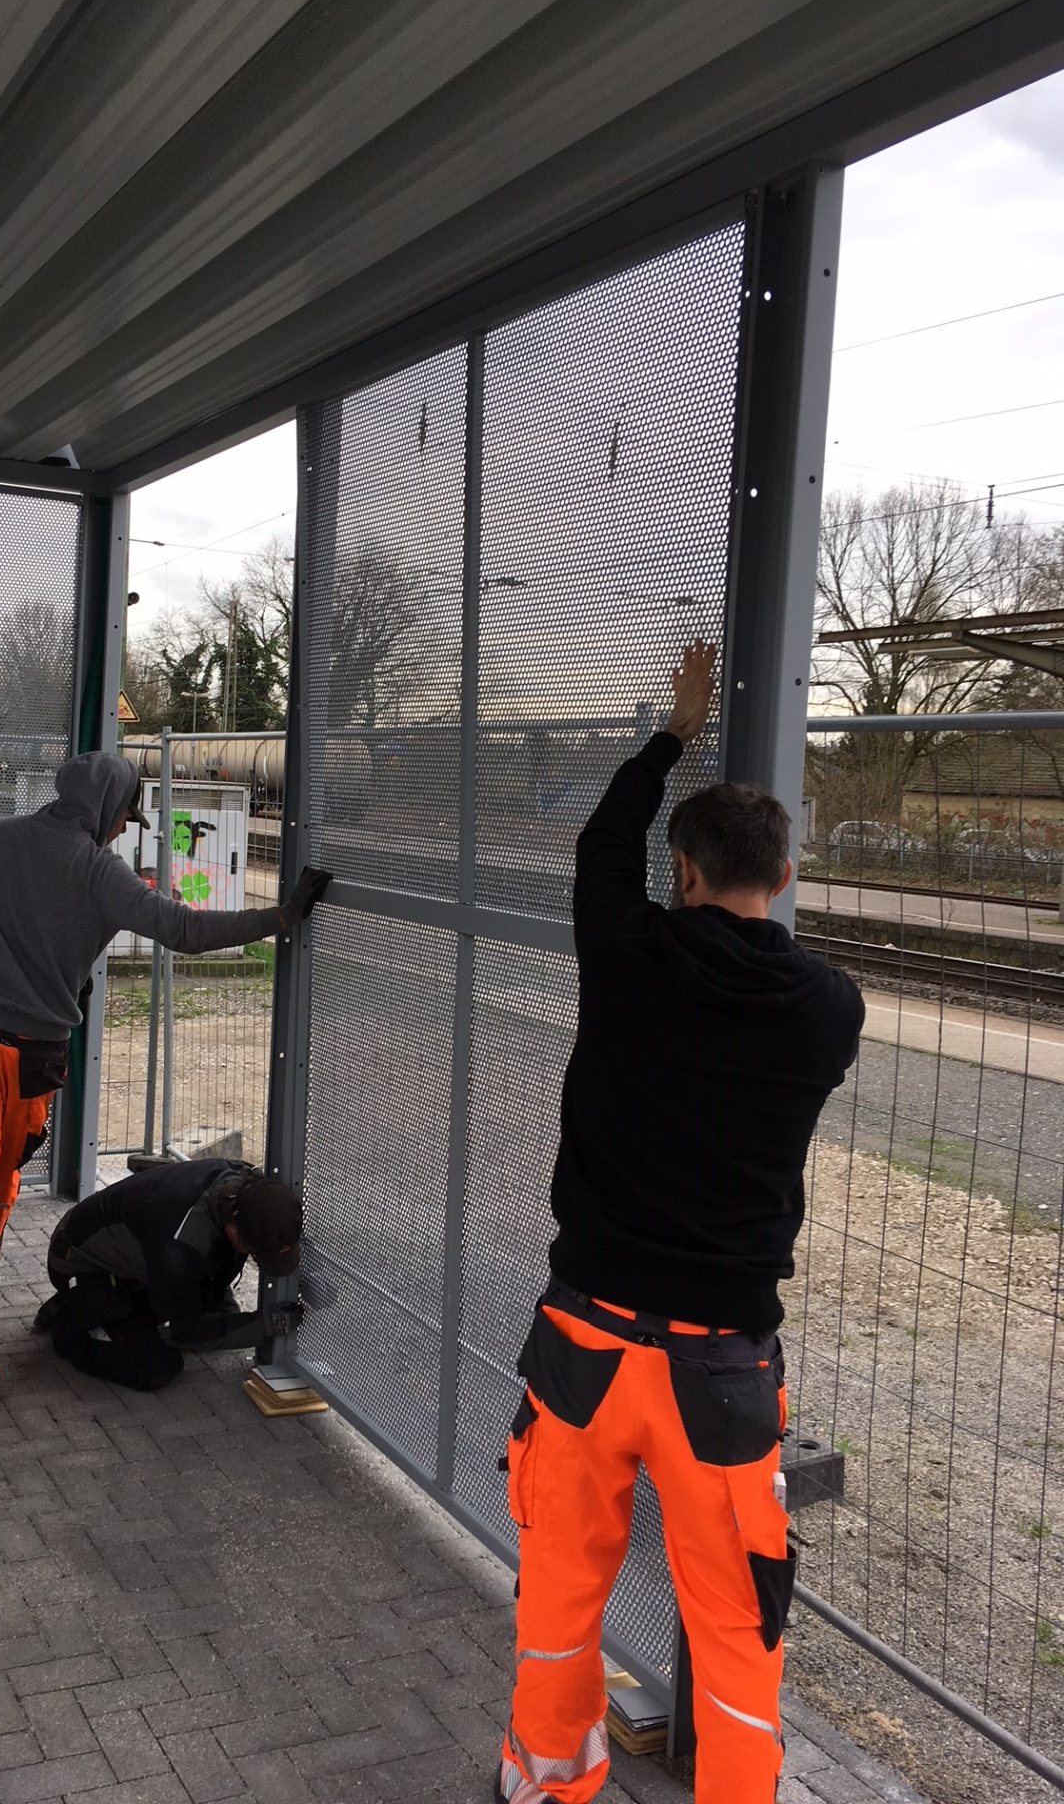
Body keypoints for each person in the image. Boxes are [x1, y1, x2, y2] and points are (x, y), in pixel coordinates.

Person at [498, 642, 865, 1804]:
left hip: (589, 1341)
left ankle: (549, 1778)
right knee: (738, 1624)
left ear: (684, 873)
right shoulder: (827, 1012)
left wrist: (672, 732)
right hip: (723, 1366)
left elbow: (598, 847)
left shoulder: (628, 954)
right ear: (790, 874)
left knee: (562, 1592)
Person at [0, 751, 329, 1418]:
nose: (121, 831)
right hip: (34, 1058)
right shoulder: (99, 872)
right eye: (123, 819)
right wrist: (279, 920)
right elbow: (188, 930)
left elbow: (7, 920)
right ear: (110, 811)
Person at [32, 1157, 305, 1390]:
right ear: (234, 1230)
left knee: (216, 1319)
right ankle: (68, 1324)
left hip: (137, 1255)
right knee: (158, 1366)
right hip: (79, 1260)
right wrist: (264, 1325)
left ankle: (94, 1305)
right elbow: (180, 1332)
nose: (253, 1258)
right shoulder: (181, 1245)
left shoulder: (247, 1188)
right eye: (254, 1253)